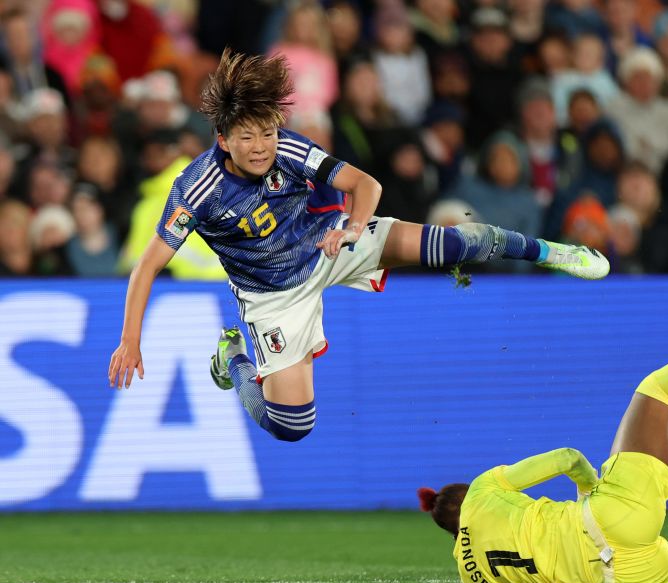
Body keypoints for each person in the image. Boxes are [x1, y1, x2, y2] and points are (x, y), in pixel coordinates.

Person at [107, 49, 608, 446]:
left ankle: (551, 253)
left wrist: (353, 229)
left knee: (450, 244)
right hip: (273, 296)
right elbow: (146, 266)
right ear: (222, 139)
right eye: (247, 136)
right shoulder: (197, 187)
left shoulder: (289, 147)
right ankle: (232, 358)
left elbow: (366, 184)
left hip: (329, 243)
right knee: (291, 426)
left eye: (267, 132)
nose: (262, 146)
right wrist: (131, 340)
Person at [418, 266, 668, 583]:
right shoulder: (484, 489)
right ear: (466, 493)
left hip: (617, 580)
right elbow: (567, 458)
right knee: (658, 390)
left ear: (454, 537)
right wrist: (591, 488)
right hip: (605, 516)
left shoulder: (472, 579)